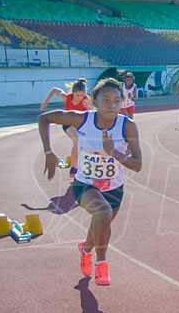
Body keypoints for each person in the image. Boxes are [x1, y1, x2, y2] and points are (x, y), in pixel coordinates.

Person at [39, 77, 142, 286]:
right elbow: (44, 118)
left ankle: (85, 250)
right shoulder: (81, 119)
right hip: (85, 184)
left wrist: (113, 152)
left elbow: (137, 164)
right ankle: (101, 265)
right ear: (94, 101)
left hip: (114, 187)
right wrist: (49, 152)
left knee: (100, 223)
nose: (112, 105)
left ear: (122, 102)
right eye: (106, 100)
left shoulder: (128, 126)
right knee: (102, 213)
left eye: (116, 100)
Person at [40, 78, 92, 179]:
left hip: (81, 125)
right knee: (77, 141)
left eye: (82, 95)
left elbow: (94, 114)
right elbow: (55, 90)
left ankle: (80, 163)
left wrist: (89, 108)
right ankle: (73, 168)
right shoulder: (67, 98)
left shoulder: (86, 100)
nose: (80, 98)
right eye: (77, 95)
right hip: (68, 124)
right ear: (73, 93)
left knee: (85, 145)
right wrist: (46, 101)